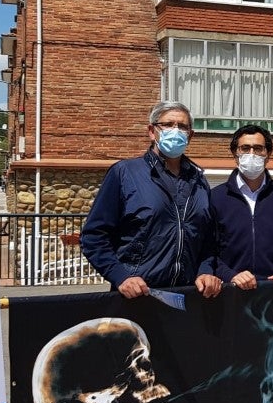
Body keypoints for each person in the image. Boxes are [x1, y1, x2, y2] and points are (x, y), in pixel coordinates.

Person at [81, 102, 222, 300]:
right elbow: (94, 236)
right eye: (168, 124)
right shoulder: (125, 173)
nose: (175, 130)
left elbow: (208, 239)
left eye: (182, 126)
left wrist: (205, 270)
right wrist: (121, 277)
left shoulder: (199, 181)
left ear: (190, 136)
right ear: (151, 131)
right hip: (138, 296)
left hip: (188, 295)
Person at [211, 124, 273, 290]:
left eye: (258, 148)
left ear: (268, 154)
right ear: (235, 154)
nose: (251, 154)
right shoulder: (215, 197)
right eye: (245, 148)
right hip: (231, 292)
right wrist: (230, 275)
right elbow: (207, 252)